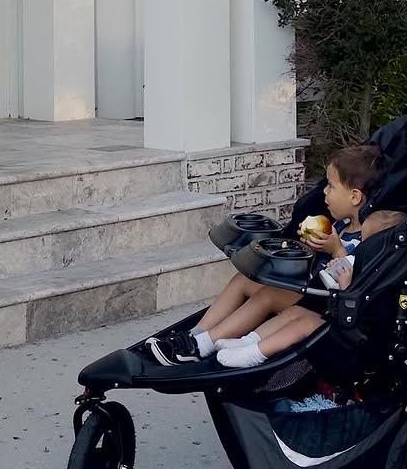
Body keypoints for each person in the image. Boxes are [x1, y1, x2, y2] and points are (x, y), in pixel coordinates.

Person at [144, 144, 383, 365]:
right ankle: (195, 334)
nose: (324, 192)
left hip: (324, 303)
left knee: (268, 294)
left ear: (354, 197)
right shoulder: (340, 226)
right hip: (310, 291)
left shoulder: (366, 239)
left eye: (331, 186)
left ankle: (200, 346)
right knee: (244, 280)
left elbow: (353, 281)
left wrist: (336, 250)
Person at [214, 208, 407, 367]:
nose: (362, 248)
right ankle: (248, 342)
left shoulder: (386, 276)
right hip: (338, 320)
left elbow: (362, 305)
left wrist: (345, 285)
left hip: (354, 334)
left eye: (366, 243)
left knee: (305, 323)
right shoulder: (369, 265)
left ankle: (255, 354)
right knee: (296, 312)